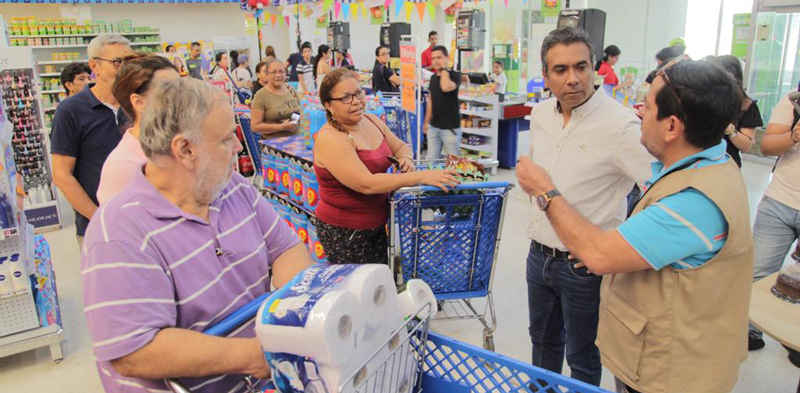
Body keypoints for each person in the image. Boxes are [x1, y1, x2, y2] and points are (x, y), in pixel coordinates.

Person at [516, 57, 754, 393]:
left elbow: (598, 255)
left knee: (582, 353)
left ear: (672, 126)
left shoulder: (693, 201)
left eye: (647, 105)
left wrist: (544, 189)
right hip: (651, 351)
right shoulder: (709, 163)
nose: (638, 112)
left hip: (672, 372)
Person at [81, 77, 312, 393]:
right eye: (227, 137)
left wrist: (294, 312)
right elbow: (135, 351)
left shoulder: (233, 189)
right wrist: (249, 354)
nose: (238, 146)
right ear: (185, 149)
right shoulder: (119, 233)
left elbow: (284, 247)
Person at [517, 27, 655, 387]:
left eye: (581, 67)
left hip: (584, 269)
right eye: (560, 70)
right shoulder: (541, 114)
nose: (573, 79)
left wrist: (618, 244)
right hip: (539, 256)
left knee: (582, 354)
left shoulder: (621, 125)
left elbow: (660, 189)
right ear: (545, 76)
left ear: (595, 68)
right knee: (542, 342)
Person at [313, 68, 459, 264]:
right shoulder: (330, 138)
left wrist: (405, 158)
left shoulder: (371, 120)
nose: (356, 101)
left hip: (379, 222)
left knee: (379, 284)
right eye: (346, 97)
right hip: (345, 231)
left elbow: (400, 146)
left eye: (358, 93)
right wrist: (421, 176)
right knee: (359, 288)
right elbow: (366, 184)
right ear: (329, 105)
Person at [50, 34, 132, 247]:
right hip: (97, 228)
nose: (125, 69)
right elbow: (62, 175)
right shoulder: (70, 111)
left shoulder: (136, 105)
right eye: (117, 62)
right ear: (94, 65)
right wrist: (100, 220)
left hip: (141, 224)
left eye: (130, 62)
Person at [748, 84, 800, 366]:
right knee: (758, 273)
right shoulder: (794, 98)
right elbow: (767, 147)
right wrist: (793, 135)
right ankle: (750, 332)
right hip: (779, 202)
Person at [97, 55, 180, 204]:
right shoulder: (124, 166)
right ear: (138, 102)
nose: (182, 95)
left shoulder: (182, 144)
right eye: (168, 89)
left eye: (181, 87)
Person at [711, 55, 761, 167]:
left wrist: (730, 130)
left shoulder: (746, 105)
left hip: (727, 164)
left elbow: (746, 146)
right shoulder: (705, 99)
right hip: (700, 162)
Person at [424, 46, 462, 160]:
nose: (436, 61)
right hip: (434, 126)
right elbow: (431, 101)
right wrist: (426, 122)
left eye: (439, 57)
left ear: (447, 58)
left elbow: (445, 87)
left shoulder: (455, 75)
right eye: (433, 58)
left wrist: (445, 69)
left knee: (454, 163)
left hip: (450, 128)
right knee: (430, 161)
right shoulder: (433, 78)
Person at [250, 59, 302, 139]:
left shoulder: (291, 90)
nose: (278, 75)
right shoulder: (260, 95)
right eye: (273, 72)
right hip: (275, 144)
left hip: (296, 140)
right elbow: (255, 126)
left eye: (281, 71)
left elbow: (301, 111)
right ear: (267, 75)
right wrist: (280, 127)